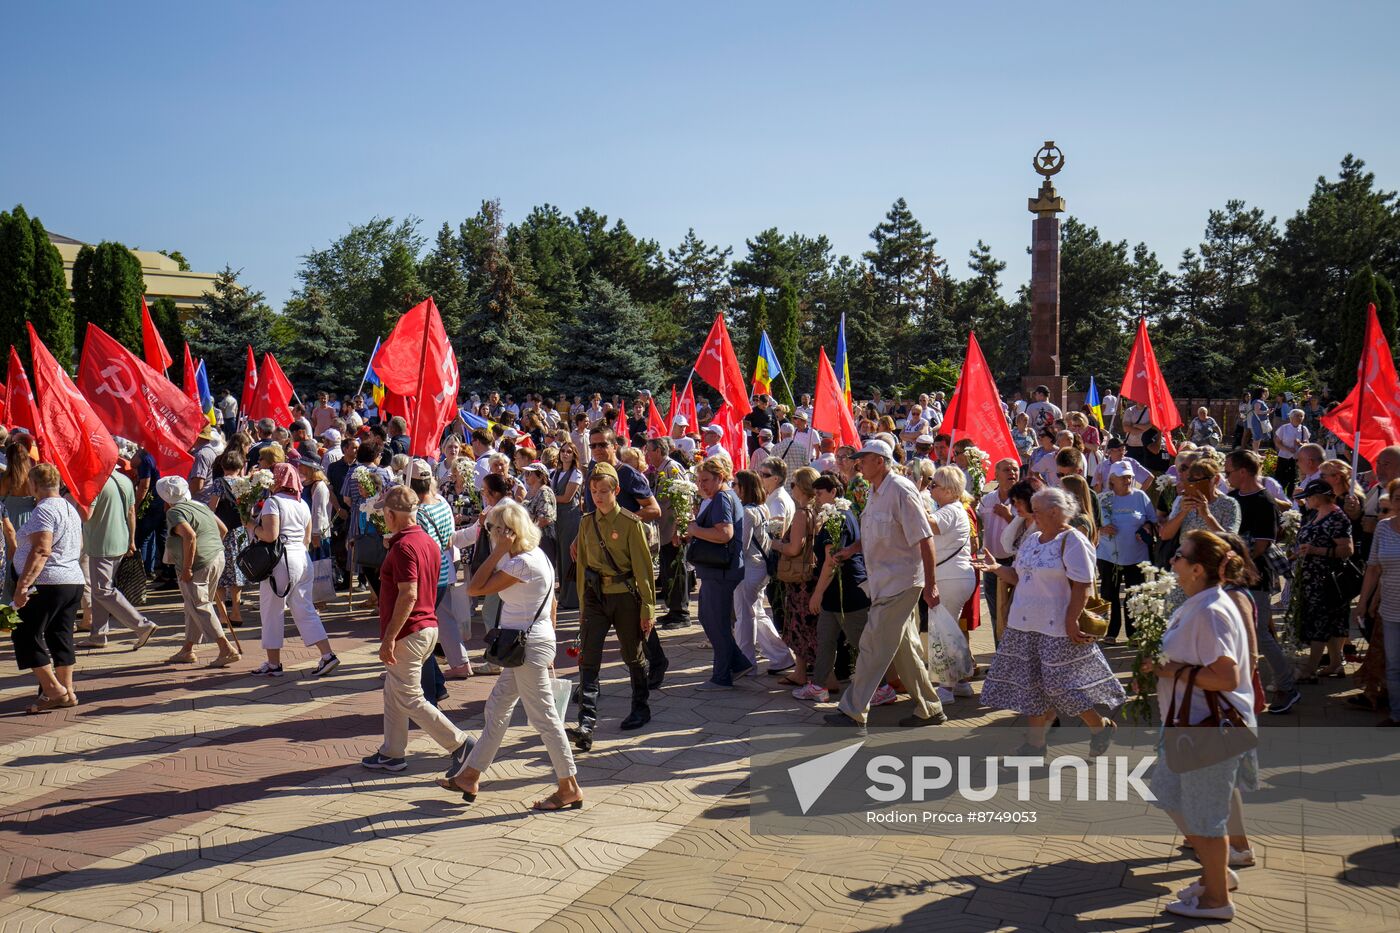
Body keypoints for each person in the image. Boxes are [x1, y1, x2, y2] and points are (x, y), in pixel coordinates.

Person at [436, 499, 582, 809]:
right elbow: (552, 604)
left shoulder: (520, 563)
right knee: (497, 707)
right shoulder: (535, 556)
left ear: (508, 532)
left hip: (526, 647)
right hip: (529, 644)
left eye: (493, 530)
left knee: (544, 718)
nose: (489, 535)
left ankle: (568, 785)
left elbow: (474, 588)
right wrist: (550, 642)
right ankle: (470, 774)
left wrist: (499, 551)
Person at [1146, 529, 1258, 921]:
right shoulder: (1199, 601)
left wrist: (1173, 670)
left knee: (1206, 817)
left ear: (1196, 569)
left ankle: (1216, 900)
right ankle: (1217, 873)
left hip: (1207, 729)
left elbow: (1226, 676)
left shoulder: (1211, 610)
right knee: (1165, 790)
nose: (1172, 560)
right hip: (1187, 724)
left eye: (1179, 556)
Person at [975, 487, 1124, 754]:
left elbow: (1082, 585)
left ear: (1055, 512)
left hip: (1056, 626)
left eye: (1036, 511)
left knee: (1060, 686)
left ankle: (1099, 725)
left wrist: (1072, 619)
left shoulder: (1073, 540)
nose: (1031, 515)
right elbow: (1020, 576)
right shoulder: (1032, 539)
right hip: (1024, 624)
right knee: (1031, 684)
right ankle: (1035, 743)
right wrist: (996, 568)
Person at [824, 440, 947, 731]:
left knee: (873, 644)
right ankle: (930, 708)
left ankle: (853, 711)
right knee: (905, 649)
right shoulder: (875, 492)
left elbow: (925, 538)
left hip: (901, 583)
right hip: (884, 583)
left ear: (880, 461)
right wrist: (850, 551)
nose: (858, 464)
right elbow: (873, 534)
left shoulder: (901, 490)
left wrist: (931, 585)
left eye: (863, 459)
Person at [360, 486, 476, 774]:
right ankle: (392, 752)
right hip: (426, 626)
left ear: (390, 514)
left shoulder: (404, 547)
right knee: (394, 691)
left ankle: (460, 744)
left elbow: (408, 594)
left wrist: (388, 638)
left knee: (409, 696)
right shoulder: (425, 541)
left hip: (410, 630)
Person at [569, 462, 656, 751]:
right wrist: (582, 603)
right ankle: (586, 722)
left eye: (604, 491)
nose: (598, 496)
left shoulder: (631, 524)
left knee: (632, 654)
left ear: (616, 491)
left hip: (624, 596)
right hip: (595, 596)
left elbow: (643, 569)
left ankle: (640, 707)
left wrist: (648, 610)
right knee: (589, 657)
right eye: (594, 491)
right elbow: (582, 566)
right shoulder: (585, 522)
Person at [1224, 449, 1300, 714]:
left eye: (1229, 471)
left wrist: (1236, 564)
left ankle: (1287, 686)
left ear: (1243, 472)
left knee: (1260, 635)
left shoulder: (1264, 500)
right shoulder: (1232, 498)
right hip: (1231, 579)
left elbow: (1263, 544)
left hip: (1254, 579)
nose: (1226, 476)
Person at [9, 464, 85, 713]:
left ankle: (54, 690)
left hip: (49, 581)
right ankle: (66, 691)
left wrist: (23, 584)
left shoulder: (45, 509)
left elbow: (42, 549)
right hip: (71, 579)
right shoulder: (68, 507)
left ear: (34, 484)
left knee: (24, 633)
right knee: (59, 634)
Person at [253, 462, 340, 677]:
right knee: (304, 608)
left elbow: (270, 535)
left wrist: (251, 525)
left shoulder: (273, 502)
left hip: (281, 559)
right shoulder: (301, 503)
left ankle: (274, 664)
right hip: (301, 557)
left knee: (272, 610)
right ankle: (327, 654)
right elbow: (307, 538)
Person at [805, 473, 880, 704]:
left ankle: (883, 686)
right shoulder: (840, 514)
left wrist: (816, 593)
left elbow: (832, 560)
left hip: (847, 590)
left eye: (819, 493)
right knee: (826, 638)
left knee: (861, 642)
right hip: (835, 592)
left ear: (833, 492)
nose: (816, 498)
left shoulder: (837, 516)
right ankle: (818, 685)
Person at [157, 477, 240, 667]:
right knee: (194, 605)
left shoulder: (175, 511)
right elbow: (223, 529)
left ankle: (225, 648)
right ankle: (187, 649)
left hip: (198, 564)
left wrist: (187, 567)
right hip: (216, 556)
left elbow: (190, 536)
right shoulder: (200, 505)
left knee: (199, 606)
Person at [79, 464, 160, 650]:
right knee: (100, 589)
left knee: (101, 589)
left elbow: (85, 515)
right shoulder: (124, 480)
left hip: (102, 541)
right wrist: (131, 540)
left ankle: (142, 625)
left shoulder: (96, 484)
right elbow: (132, 512)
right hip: (119, 539)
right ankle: (98, 635)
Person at [924, 465, 979, 702]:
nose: (930, 488)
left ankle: (946, 687)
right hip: (955, 575)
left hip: (950, 577)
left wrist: (915, 498)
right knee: (951, 631)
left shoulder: (950, 510)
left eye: (933, 484)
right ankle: (961, 683)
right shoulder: (954, 508)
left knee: (944, 632)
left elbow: (929, 524)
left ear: (948, 490)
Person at [733, 470, 795, 676]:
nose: (733, 488)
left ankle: (746, 661)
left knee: (745, 616)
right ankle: (781, 656)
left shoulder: (749, 512)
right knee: (756, 613)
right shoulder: (761, 508)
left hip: (750, 569)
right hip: (759, 568)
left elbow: (741, 545)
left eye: (736, 484)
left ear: (744, 488)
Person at [1294, 479, 1355, 682]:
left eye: (1309, 497)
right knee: (1332, 622)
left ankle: (1310, 668)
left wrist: (1316, 550)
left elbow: (1347, 549)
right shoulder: (1315, 514)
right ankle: (1336, 664)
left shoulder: (1337, 517)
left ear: (1318, 497)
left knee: (1319, 622)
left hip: (1326, 579)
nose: (1307, 501)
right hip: (1313, 577)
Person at [1357, 477, 1400, 726]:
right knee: (1394, 665)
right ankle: (1396, 714)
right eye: (1396, 498)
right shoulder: (1383, 528)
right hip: (1391, 608)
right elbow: (1373, 569)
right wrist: (1363, 602)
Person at [773, 467, 821, 690]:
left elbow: (793, 548)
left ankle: (814, 674)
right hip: (809, 575)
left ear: (802, 487)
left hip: (801, 577)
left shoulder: (802, 513)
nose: (791, 487)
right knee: (803, 623)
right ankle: (800, 672)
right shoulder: (817, 509)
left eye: (793, 484)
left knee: (801, 624)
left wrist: (772, 543)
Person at [1097, 462, 1156, 641]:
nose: (1128, 480)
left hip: (1136, 556)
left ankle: (1134, 633)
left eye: (1130, 476)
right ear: (1112, 480)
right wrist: (1101, 529)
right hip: (1108, 556)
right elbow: (1090, 524)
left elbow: (1153, 520)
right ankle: (1112, 631)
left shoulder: (1141, 497)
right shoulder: (1103, 498)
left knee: (1135, 594)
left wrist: (1146, 526)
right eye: (1123, 477)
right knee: (1109, 594)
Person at [645, 437, 691, 631]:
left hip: (673, 532)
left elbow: (683, 498)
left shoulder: (672, 468)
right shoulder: (662, 470)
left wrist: (679, 530)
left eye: (648, 451)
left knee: (677, 570)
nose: (646, 455)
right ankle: (673, 609)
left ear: (658, 451)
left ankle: (681, 613)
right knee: (667, 570)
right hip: (664, 530)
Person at [551, 441, 584, 610]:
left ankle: (572, 599)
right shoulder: (556, 473)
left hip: (571, 517)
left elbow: (567, 497)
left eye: (569, 451)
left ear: (574, 455)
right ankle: (564, 595)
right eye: (563, 451)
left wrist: (548, 496)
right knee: (561, 558)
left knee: (569, 557)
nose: (565, 454)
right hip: (559, 518)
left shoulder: (576, 473)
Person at [1273, 408, 1309, 493]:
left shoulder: (1304, 429)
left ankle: (1291, 496)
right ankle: (1278, 494)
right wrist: (1287, 449)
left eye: (1301, 416)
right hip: (1284, 456)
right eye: (1297, 416)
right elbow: (1277, 442)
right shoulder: (1284, 428)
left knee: (1293, 478)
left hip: (1297, 457)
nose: (1299, 418)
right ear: (1291, 417)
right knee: (1280, 477)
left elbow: (1307, 444)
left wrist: (1300, 443)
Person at [1246, 387, 1273, 452]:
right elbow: (1257, 412)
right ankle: (1255, 452)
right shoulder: (1257, 401)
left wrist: (1267, 412)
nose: (1265, 394)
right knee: (1257, 438)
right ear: (1260, 393)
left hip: (1259, 421)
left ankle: (1256, 452)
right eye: (1264, 392)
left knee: (1258, 438)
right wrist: (1267, 412)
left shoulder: (1259, 401)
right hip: (1258, 422)